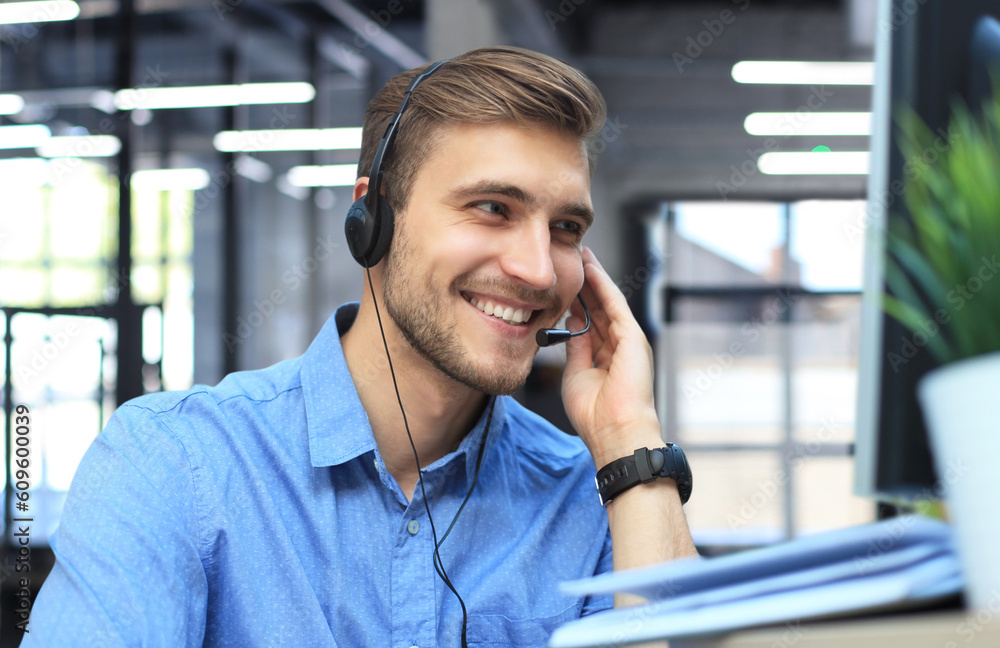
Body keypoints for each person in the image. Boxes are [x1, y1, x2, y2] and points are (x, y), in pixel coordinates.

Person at [23, 46, 697, 647]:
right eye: (493, 207)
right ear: (370, 220)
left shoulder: (599, 493)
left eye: (566, 227)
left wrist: (629, 432)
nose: (539, 270)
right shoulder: (172, 462)